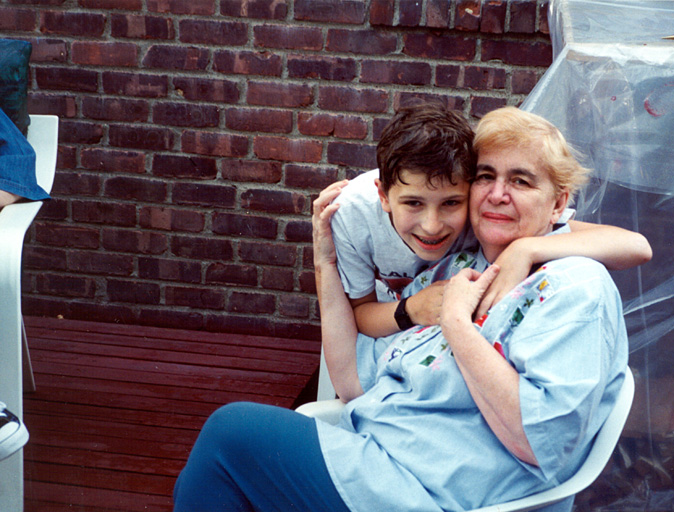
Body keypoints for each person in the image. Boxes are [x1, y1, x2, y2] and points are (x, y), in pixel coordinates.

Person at [172, 106, 634, 512]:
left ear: (559, 203)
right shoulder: (464, 262)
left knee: (230, 436)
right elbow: (352, 378)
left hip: (433, 491)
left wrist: (456, 323)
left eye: (520, 180)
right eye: (486, 177)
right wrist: (326, 262)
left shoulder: (576, 287)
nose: (497, 193)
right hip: (379, 457)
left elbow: (541, 441)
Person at [331, 103, 650, 339]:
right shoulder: (353, 214)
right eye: (413, 204)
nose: (432, 225)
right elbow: (360, 314)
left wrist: (524, 249)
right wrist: (411, 308)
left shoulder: (485, 214)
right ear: (384, 196)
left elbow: (634, 245)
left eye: (451, 203)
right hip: (393, 324)